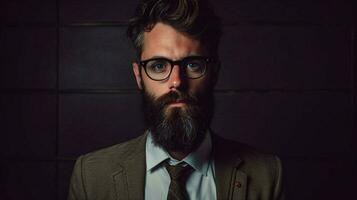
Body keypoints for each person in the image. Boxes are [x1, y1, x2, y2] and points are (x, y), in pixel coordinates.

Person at [67, 0, 284, 199]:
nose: (177, 82)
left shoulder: (266, 176)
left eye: (192, 64)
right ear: (138, 76)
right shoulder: (91, 177)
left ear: (214, 73)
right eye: (159, 66)